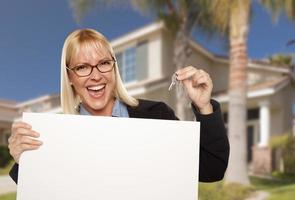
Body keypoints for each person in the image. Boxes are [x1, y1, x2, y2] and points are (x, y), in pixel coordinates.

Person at [8, 28, 229, 184]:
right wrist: (25, 160)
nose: (96, 76)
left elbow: (212, 169)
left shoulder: (157, 115)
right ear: (70, 77)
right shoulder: (54, 137)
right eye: (83, 67)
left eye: (104, 63)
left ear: (114, 68)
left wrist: (204, 107)